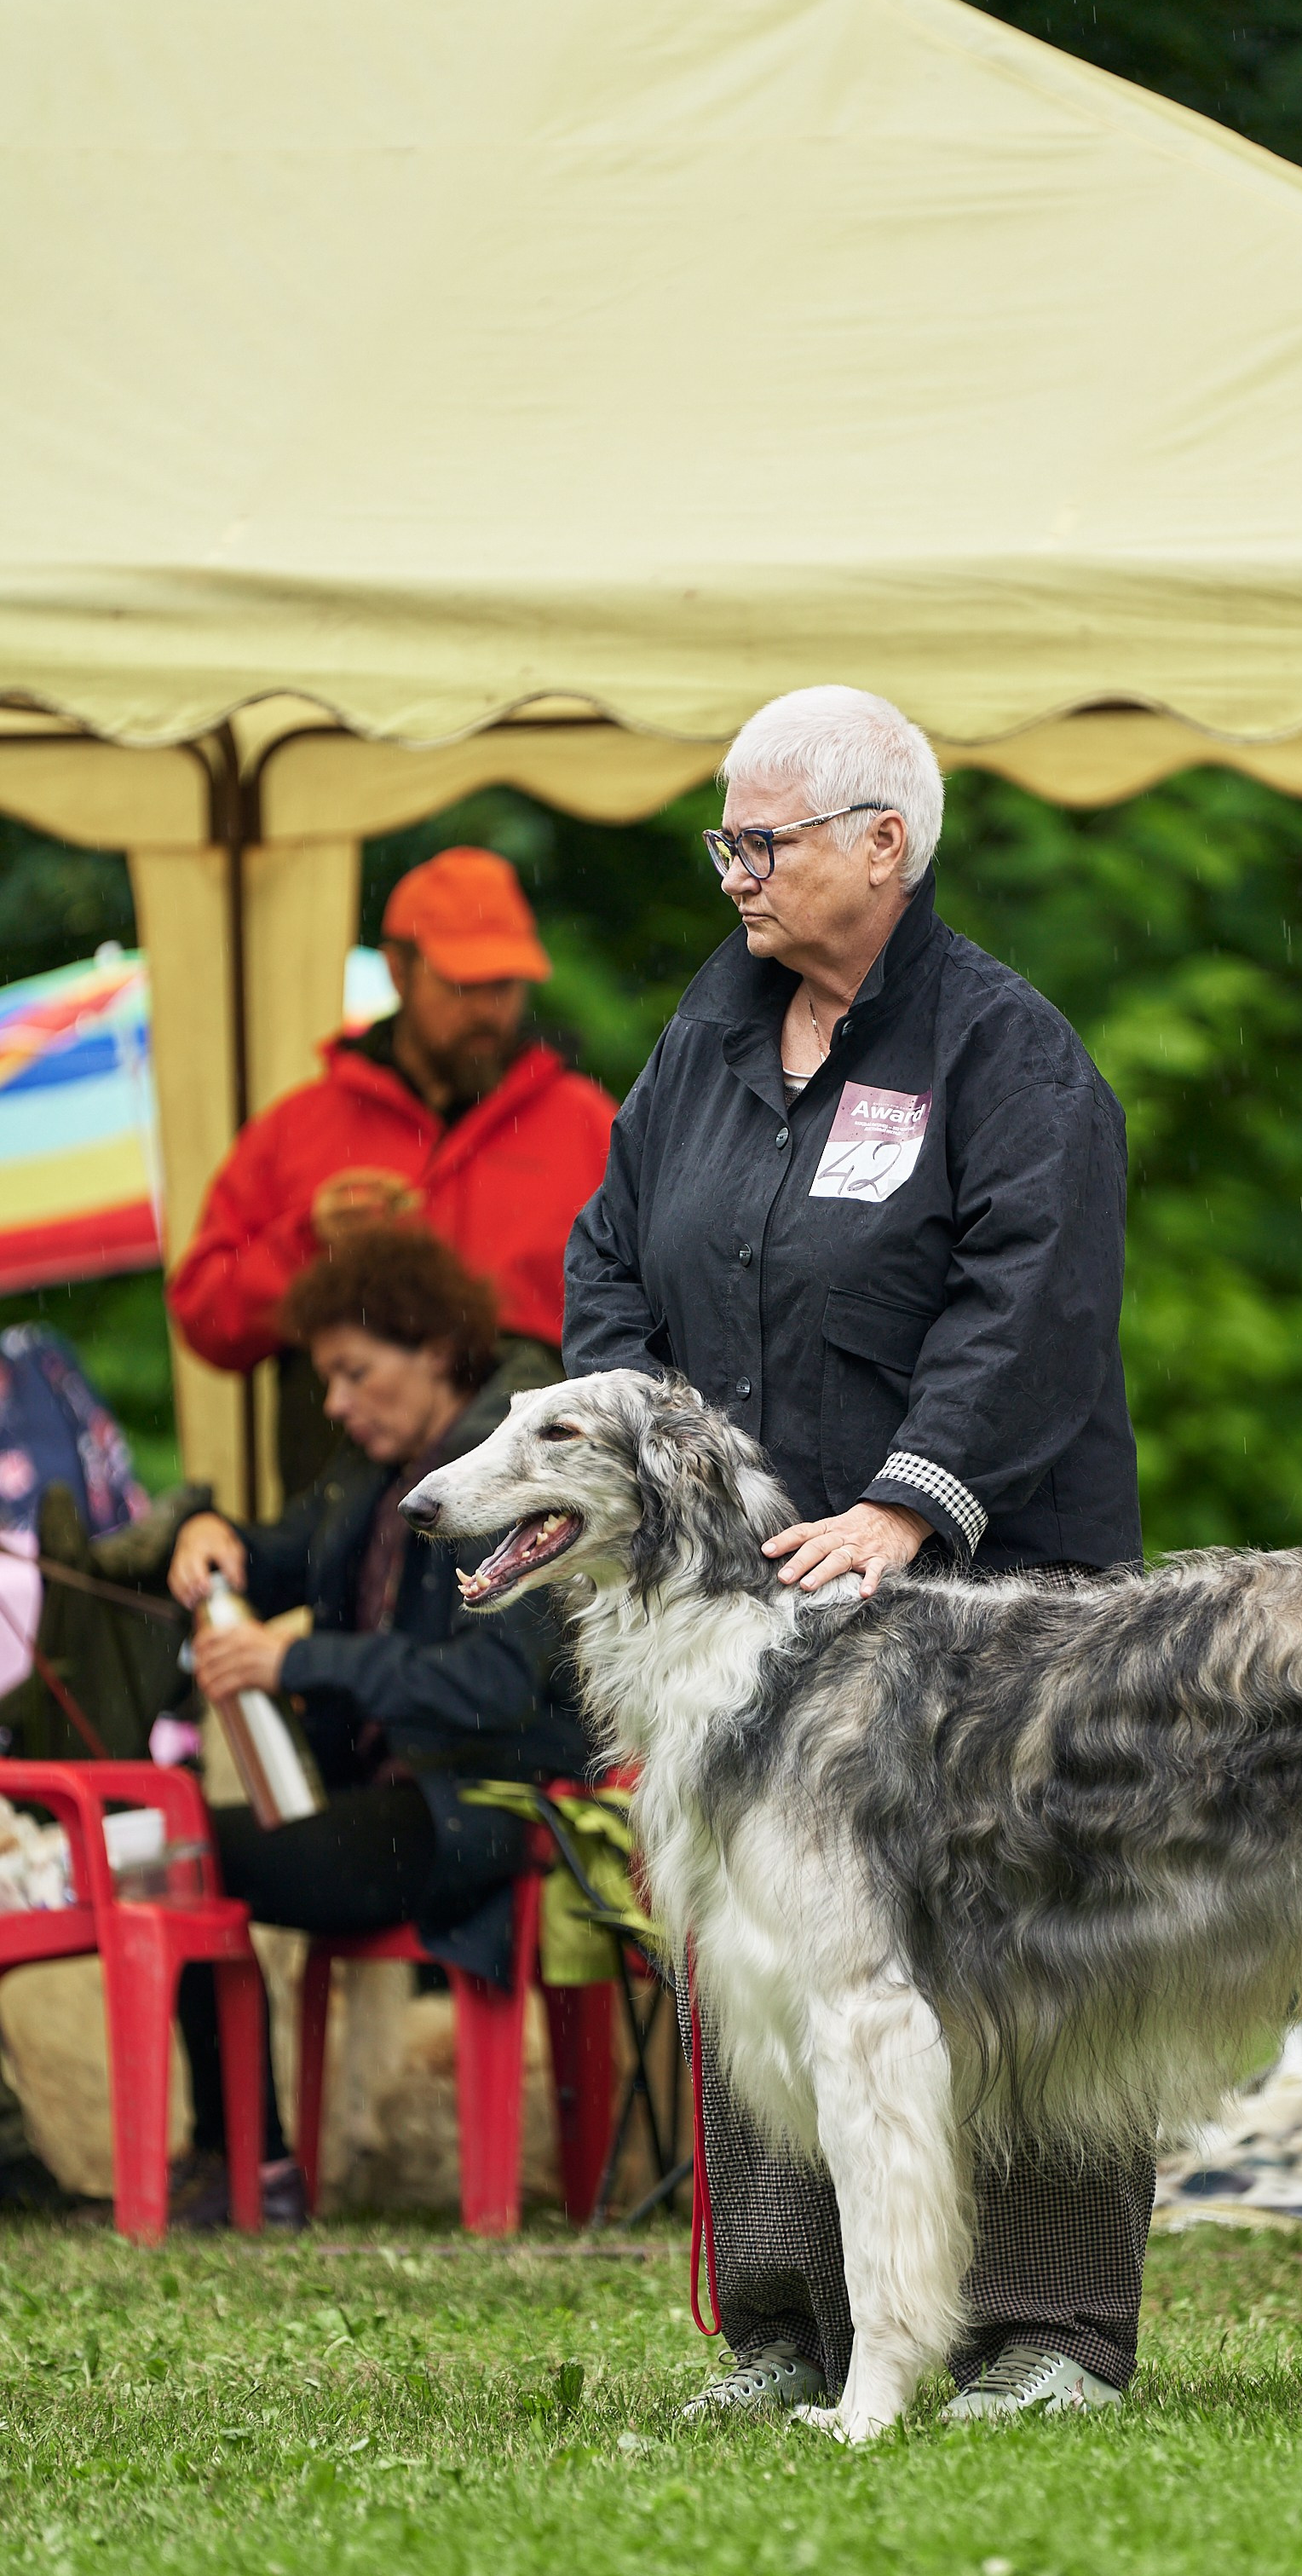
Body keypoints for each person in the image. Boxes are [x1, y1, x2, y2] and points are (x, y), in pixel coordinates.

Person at [564, 682, 1149, 2420]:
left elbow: (1030, 1309)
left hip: (991, 1588)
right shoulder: (708, 1033)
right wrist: (658, 1463)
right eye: (726, 840)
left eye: (763, 839)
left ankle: (1047, 2333)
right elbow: (613, 1258)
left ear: (881, 848)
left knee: (1019, 1943)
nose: (732, 874)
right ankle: (789, 2325)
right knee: (768, 1933)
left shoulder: (1005, 1050)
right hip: (759, 1602)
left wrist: (905, 1500)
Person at [167, 1226, 590, 2228]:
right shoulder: (376, 1468)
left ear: (437, 1351)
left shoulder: (516, 1469)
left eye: (354, 1373)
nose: (335, 1404)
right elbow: (289, 1550)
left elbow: (496, 1684)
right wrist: (206, 1530)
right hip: (399, 1800)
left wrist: (298, 1659)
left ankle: (246, 2165)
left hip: (481, 1807)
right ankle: (245, 2157)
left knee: (182, 1850)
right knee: (176, 1840)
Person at [166, 847, 616, 1493]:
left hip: (536, 1513)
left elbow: (659, 1318)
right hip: (337, 1514)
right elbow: (205, 1323)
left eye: (506, 985)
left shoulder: (590, 1126)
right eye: (463, 984)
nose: (488, 1009)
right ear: (398, 971)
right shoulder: (298, 1128)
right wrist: (308, 1245)